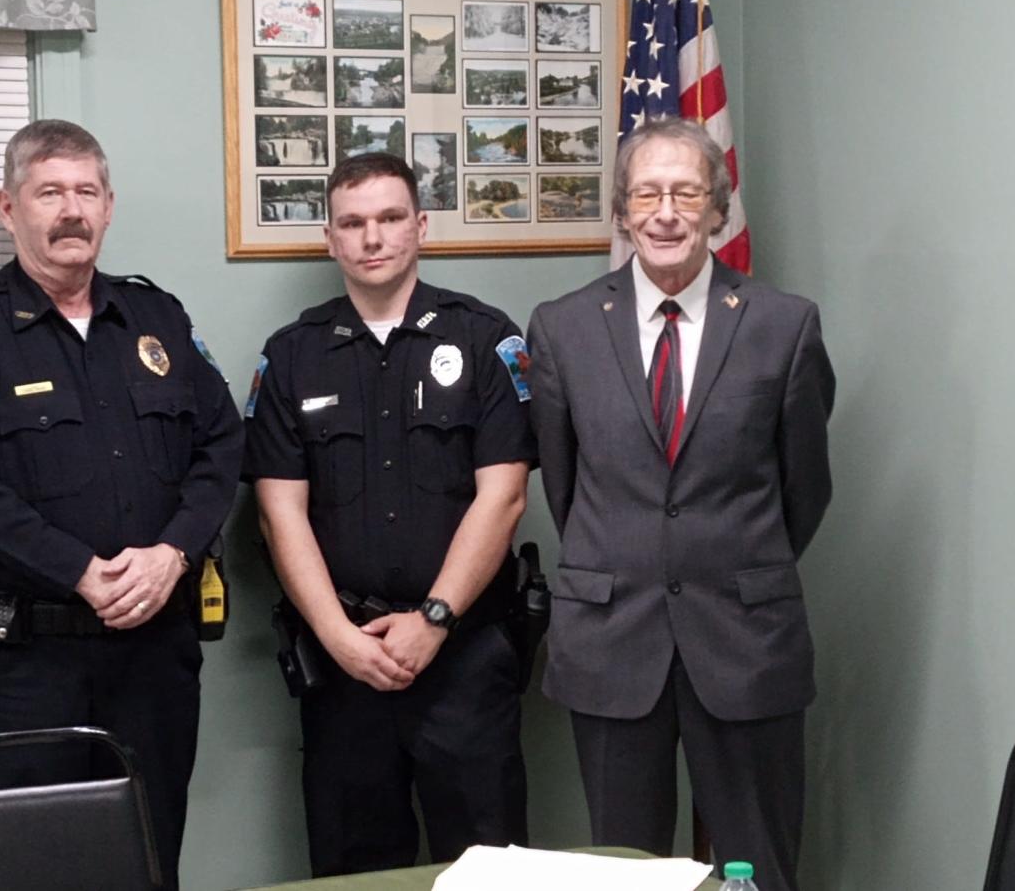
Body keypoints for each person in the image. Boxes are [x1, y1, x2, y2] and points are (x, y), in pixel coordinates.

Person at [0, 119, 243, 888]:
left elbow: (222, 446)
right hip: (27, 663)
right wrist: (80, 571)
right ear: (8, 207)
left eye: (86, 191)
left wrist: (175, 552)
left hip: (154, 653)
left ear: (109, 207)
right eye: (49, 191)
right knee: (29, 865)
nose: (70, 210)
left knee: (151, 859)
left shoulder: (156, 320)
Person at [527, 117, 835, 891]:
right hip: (610, 638)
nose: (666, 212)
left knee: (759, 869)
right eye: (648, 194)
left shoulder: (782, 326)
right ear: (623, 212)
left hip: (746, 637)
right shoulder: (561, 328)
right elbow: (565, 488)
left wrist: (724, 562)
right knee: (625, 871)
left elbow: (805, 487)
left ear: (718, 209)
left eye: (686, 192)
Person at [243, 152, 534, 877]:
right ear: (330, 239)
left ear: (421, 227)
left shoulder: (482, 338)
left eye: (389, 218)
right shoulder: (291, 357)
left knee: (489, 870)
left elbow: (504, 496)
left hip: (465, 656)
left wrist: (434, 620)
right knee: (354, 872)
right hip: (344, 667)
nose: (372, 237)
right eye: (353, 222)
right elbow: (280, 515)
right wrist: (339, 638)